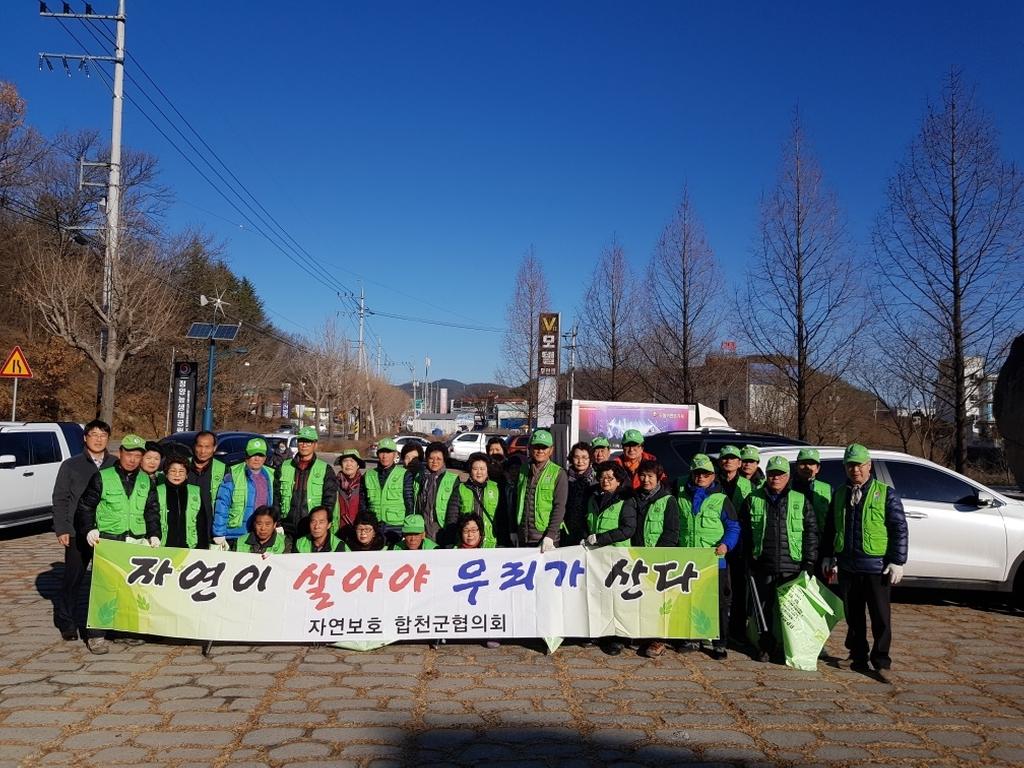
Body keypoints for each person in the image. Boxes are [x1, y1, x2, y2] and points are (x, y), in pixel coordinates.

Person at [822, 444, 908, 677]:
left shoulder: (886, 493)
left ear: (869, 465)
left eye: (859, 465)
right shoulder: (840, 493)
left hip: (876, 567)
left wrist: (897, 560)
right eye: (850, 465)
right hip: (848, 566)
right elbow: (831, 527)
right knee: (854, 615)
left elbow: (899, 528)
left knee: (880, 616)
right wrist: (829, 555)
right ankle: (857, 655)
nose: (855, 470)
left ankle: (881, 659)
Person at [76, 433, 162, 654]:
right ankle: (96, 634)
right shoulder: (102, 477)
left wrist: (154, 534)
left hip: (136, 539)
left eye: (138, 455)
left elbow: (152, 510)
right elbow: (86, 506)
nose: (132, 459)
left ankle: (125, 630)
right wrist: (88, 528)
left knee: (130, 588)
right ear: (120, 453)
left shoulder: (146, 480)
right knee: (104, 588)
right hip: (109, 539)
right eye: (129, 454)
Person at [740, 455, 818, 663]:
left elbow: (811, 533)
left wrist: (809, 562)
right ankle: (765, 646)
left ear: (788, 476)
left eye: (780, 474)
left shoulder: (800, 500)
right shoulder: (753, 499)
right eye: (772, 474)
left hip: (792, 565)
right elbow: (745, 532)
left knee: (790, 613)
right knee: (763, 610)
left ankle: (787, 648)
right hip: (762, 564)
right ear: (766, 475)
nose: (776, 478)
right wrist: (747, 559)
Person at [52, 419, 116, 642]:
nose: (98, 439)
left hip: (107, 532)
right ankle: (67, 622)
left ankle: (104, 622)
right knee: (73, 579)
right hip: (76, 532)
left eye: (103, 435)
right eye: (94, 435)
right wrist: (61, 528)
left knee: (106, 581)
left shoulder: (115, 463)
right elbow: (60, 498)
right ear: (85, 438)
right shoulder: (71, 465)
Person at [676, 454, 740, 659]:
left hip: (714, 560)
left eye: (706, 474)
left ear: (713, 475)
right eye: (697, 473)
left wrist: (726, 545)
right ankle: (693, 638)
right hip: (688, 560)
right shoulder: (681, 496)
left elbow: (733, 527)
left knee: (718, 602)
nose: (701, 477)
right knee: (690, 600)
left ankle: (719, 643)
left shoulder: (721, 499)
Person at [582, 461, 637, 656]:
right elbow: (587, 521)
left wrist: (601, 538)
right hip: (597, 557)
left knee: (617, 599)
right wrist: (586, 537)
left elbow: (628, 529)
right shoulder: (593, 497)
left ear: (619, 481)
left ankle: (617, 638)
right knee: (599, 595)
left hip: (618, 557)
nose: (605, 481)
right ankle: (599, 632)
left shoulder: (626, 500)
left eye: (610, 478)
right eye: (602, 477)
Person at [632, 459, 680, 658]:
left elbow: (671, 532)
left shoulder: (668, 500)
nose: (646, 480)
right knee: (639, 597)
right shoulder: (634, 497)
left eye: (650, 476)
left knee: (659, 600)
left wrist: (659, 556)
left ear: (658, 478)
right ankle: (640, 634)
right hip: (636, 557)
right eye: (642, 475)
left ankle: (658, 639)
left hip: (658, 559)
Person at [275, 426, 338, 545]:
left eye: (308, 442)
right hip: (286, 529)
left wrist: (321, 525)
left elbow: (329, 501)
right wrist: (277, 523)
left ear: (315, 445)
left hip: (311, 529)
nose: (304, 445)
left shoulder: (325, 469)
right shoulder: (284, 466)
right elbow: (276, 497)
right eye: (301, 441)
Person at [717, 444, 753, 641]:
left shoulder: (749, 486)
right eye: (725, 457)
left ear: (739, 463)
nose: (728, 461)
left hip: (740, 543)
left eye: (733, 458)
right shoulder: (713, 483)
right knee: (719, 586)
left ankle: (738, 630)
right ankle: (718, 628)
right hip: (717, 543)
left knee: (740, 587)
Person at [213, 438, 276, 550]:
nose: (257, 459)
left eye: (260, 455)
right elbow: (222, 504)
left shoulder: (271, 475)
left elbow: (274, 504)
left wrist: (277, 524)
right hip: (236, 535)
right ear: (246, 456)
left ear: (265, 457)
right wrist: (219, 533)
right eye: (253, 455)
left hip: (260, 535)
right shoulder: (233, 474)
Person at [513, 429, 567, 552]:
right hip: (523, 536)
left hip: (545, 538)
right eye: (536, 447)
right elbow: (517, 501)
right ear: (530, 448)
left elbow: (559, 506)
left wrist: (550, 535)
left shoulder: (558, 473)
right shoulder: (523, 470)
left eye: (544, 447)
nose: (540, 451)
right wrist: (514, 530)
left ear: (551, 450)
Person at [362, 438, 414, 543]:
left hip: (397, 526)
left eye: (388, 452)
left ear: (395, 454)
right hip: (374, 526)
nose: (384, 456)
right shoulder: (368, 475)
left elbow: (409, 502)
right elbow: (363, 503)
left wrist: (408, 528)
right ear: (377, 454)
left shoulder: (404, 474)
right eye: (382, 452)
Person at [447, 452, 504, 548]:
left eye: (482, 469)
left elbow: (502, 518)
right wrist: (450, 541)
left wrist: (503, 542)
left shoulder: (496, 488)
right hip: (467, 543)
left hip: (490, 543)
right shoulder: (460, 489)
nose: (479, 472)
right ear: (470, 470)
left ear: (487, 470)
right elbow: (452, 517)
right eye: (475, 469)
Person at [790, 448, 833, 574]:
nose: (807, 467)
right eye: (803, 463)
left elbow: (833, 524)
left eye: (811, 464)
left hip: (820, 551)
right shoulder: (787, 487)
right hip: (792, 551)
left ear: (818, 468)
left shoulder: (827, 489)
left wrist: (830, 554)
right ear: (796, 466)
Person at [414, 442, 460, 545]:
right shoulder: (419, 477)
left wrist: (450, 531)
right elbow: (416, 504)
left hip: (442, 528)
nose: (434, 462)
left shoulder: (453, 479)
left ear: (444, 460)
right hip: (422, 528)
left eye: (439, 459)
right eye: (431, 458)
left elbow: (454, 510)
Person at [187, 431, 224, 551]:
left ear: (214, 448)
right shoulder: (182, 466)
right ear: (194, 446)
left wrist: (220, 531)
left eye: (207, 447)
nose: (203, 451)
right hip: (185, 527)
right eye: (200, 446)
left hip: (210, 529)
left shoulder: (223, 469)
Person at [158, 457, 203, 548]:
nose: (177, 475)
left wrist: (202, 546)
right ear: (166, 474)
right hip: (163, 545)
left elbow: (202, 522)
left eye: (181, 471)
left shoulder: (195, 491)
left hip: (190, 545)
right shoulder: (157, 491)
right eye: (173, 471)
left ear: (186, 475)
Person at [563, 441, 596, 545]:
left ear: (590, 459)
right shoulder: (563, 477)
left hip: (589, 530)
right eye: (576, 457)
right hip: (566, 528)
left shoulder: (596, 480)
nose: (580, 461)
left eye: (584, 457)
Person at [334, 449, 366, 539]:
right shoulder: (333, 484)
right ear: (341, 465)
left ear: (358, 465)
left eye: (352, 461)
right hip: (337, 531)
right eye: (345, 461)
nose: (348, 464)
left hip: (359, 532)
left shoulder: (365, 484)